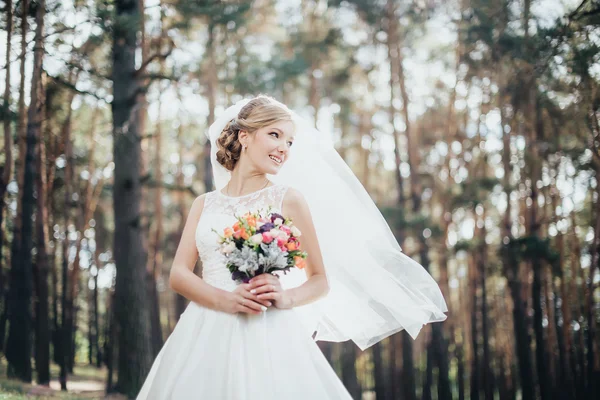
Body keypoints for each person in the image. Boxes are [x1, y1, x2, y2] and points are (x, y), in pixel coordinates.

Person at [137, 95, 447, 399]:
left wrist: (285, 298)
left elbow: (319, 280)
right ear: (244, 136)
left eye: (289, 142)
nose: (284, 148)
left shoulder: (289, 199)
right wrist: (226, 301)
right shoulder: (203, 204)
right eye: (275, 135)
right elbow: (178, 274)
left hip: (267, 330)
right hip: (204, 329)